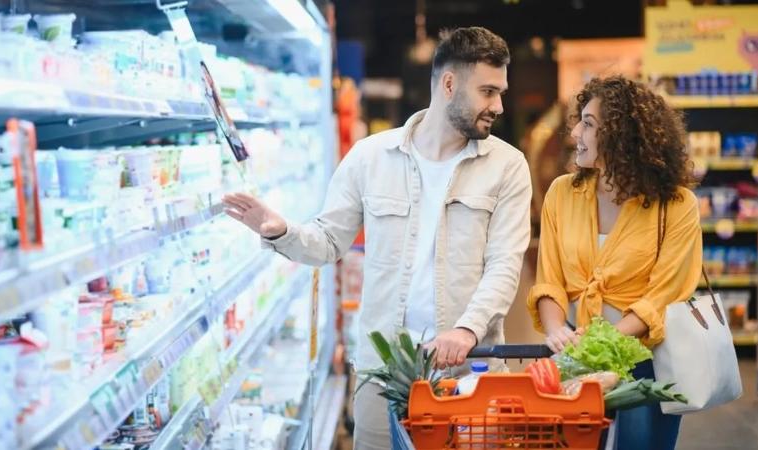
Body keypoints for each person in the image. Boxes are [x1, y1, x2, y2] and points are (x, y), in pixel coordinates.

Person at [224, 26, 532, 449]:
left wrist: (466, 330)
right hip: (383, 373)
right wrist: (282, 232)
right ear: (448, 84)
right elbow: (329, 241)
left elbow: (505, 264)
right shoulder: (371, 157)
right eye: (487, 91)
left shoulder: (507, 166)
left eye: (500, 91)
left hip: (470, 369)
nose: (498, 105)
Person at [528, 75, 702, 450]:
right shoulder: (562, 194)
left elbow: (663, 296)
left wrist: (604, 346)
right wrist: (558, 331)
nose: (575, 132)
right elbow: (549, 280)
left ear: (623, 136)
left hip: (647, 360)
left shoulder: (676, 205)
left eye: (588, 124)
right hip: (576, 355)